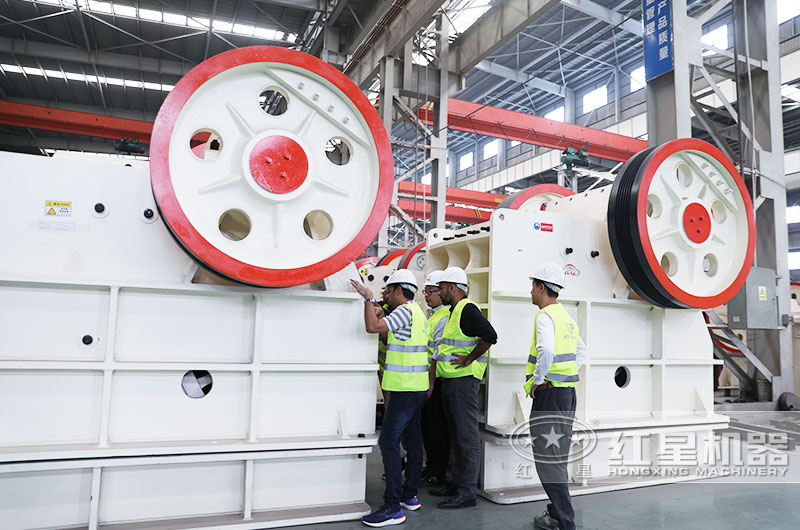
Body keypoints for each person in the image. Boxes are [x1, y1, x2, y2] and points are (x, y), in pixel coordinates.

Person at [351, 269, 431, 527]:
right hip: (417, 387)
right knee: (414, 441)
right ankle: (410, 496)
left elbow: (373, 327)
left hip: (403, 389)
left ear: (399, 290)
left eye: (387, 290)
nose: (384, 295)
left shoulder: (404, 312)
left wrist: (366, 298)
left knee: (388, 443)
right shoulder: (418, 313)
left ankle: (392, 507)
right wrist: (377, 305)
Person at [524, 262, 588, 530]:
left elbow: (547, 350)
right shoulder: (567, 318)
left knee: (548, 462)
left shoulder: (545, 315)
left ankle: (564, 521)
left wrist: (539, 381)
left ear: (541, 287)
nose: (530, 291)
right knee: (556, 458)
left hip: (550, 396)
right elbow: (582, 353)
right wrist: (564, 375)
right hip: (567, 395)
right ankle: (556, 515)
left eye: (533, 285)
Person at [430, 266, 497, 509]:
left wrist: (469, 358)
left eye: (442, 287)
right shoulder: (454, 311)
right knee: (457, 438)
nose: (439, 292)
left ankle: (467, 492)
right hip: (452, 383)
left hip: (463, 383)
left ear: (452, 287)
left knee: (466, 439)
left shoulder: (467, 309)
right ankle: (454, 483)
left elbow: (490, 335)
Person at [420, 270, 451, 487]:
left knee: (436, 429)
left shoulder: (444, 316)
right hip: (428, 379)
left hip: (438, 381)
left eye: (431, 291)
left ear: (441, 293)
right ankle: (430, 467)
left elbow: (436, 353)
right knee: (427, 428)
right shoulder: (432, 315)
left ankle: (438, 471)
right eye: (426, 291)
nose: (427, 295)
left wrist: (430, 383)